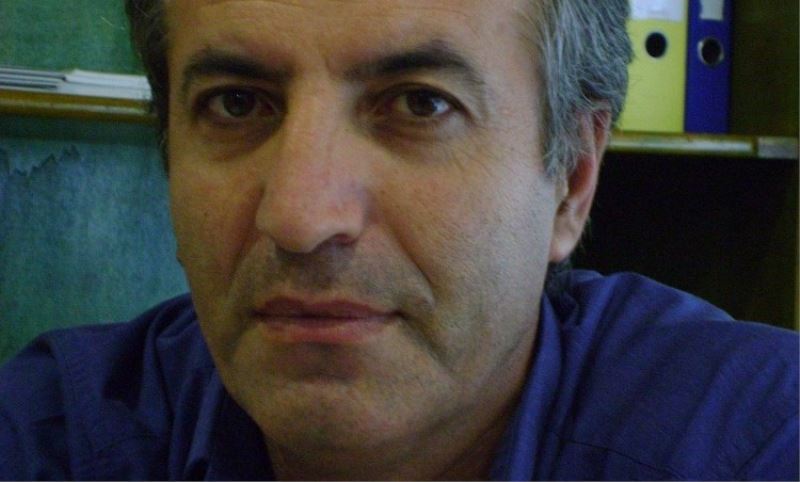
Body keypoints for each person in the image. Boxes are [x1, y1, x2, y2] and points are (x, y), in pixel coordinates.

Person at [0, 0, 797, 479]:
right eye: (236, 104)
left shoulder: (753, 443)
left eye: (420, 104)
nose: (300, 218)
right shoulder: (53, 436)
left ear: (572, 180)